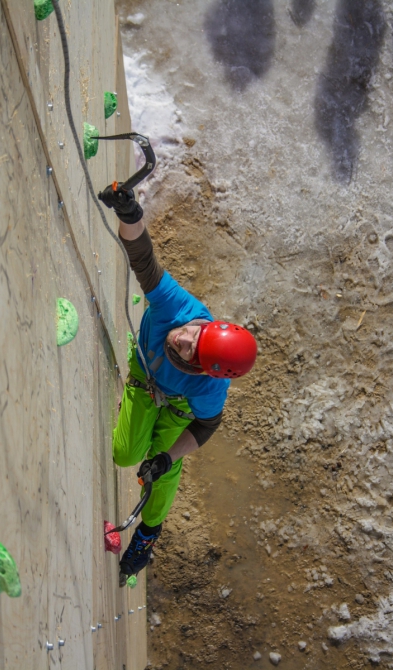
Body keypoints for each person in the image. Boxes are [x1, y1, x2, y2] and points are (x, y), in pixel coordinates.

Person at [98, 184, 257, 581]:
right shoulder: (177, 308)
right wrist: (130, 214)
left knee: (160, 467)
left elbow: (205, 426)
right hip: (146, 379)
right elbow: (143, 259)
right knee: (123, 455)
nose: (181, 339)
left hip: (179, 407)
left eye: (189, 352)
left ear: (206, 371)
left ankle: (148, 534)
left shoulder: (207, 391)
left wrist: (168, 457)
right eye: (193, 334)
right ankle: (139, 418)